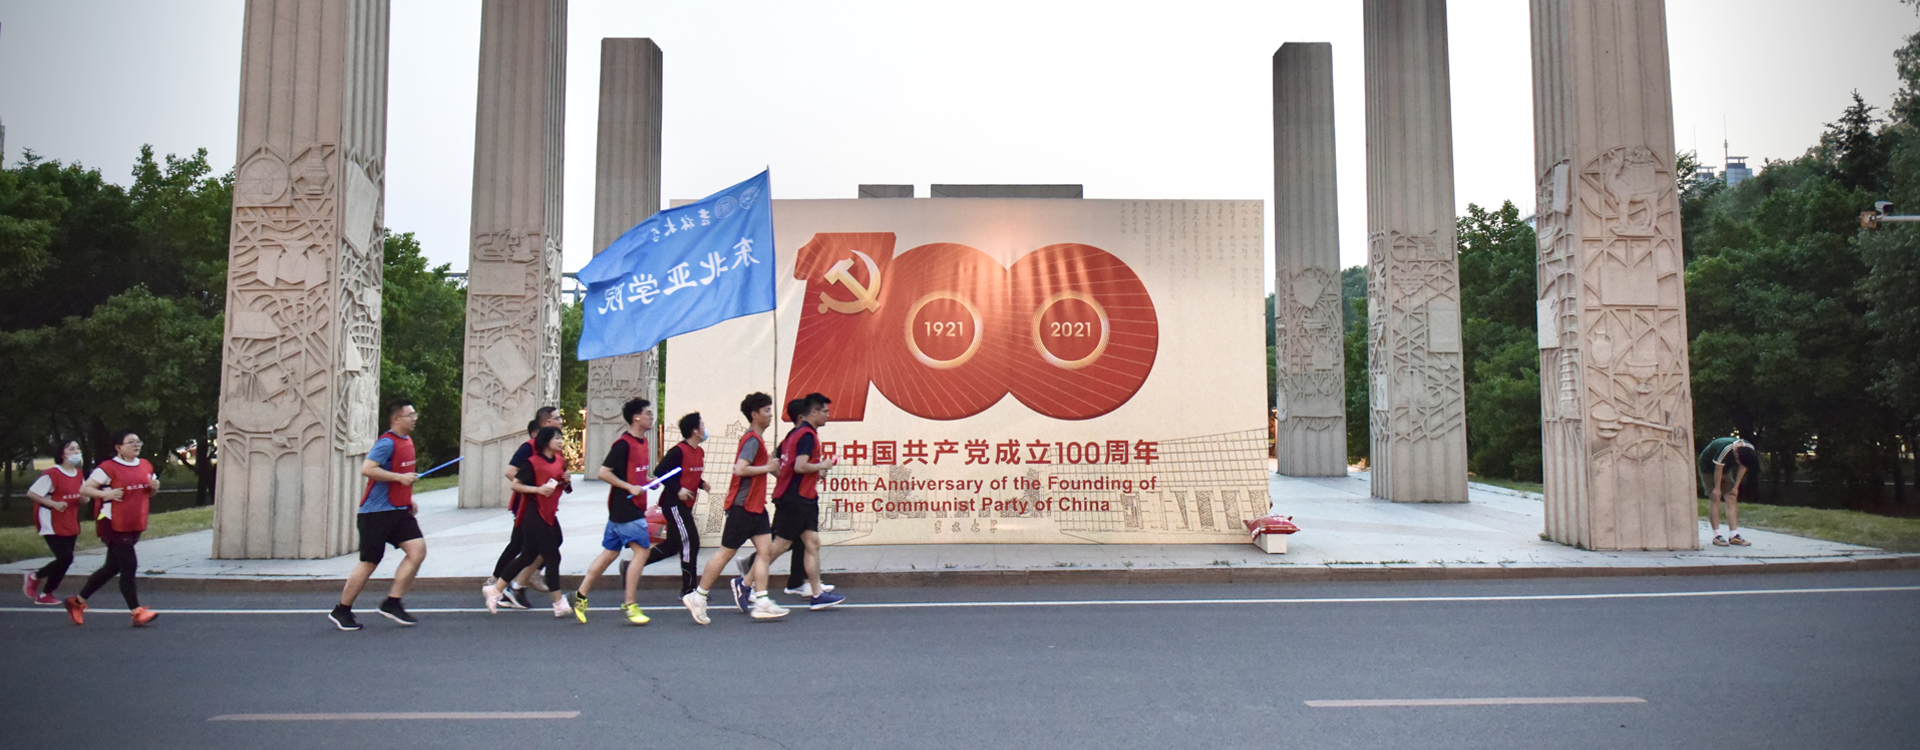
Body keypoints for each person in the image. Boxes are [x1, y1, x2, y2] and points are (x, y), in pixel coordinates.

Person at [685, 393, 788, 622]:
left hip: (756, 507)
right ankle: (698, 596)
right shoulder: (751, 440)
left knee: (765, 551)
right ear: (754, 414)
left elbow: (769, 469)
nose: (770, 415)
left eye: (770, 410)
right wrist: (767, 468)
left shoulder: (757, 440)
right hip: (743, 506)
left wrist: (775, 469)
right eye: (766, 410)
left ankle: (761, 601)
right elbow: (741, 469)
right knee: (726, 553)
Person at [329, 399, 427, 630]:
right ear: (396, 419)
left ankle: (392, 603)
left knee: (417, 551)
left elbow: (400, 474)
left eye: (414, 414)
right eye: (410, 415)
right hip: (375, 514)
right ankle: (342, 610)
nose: (414, 419)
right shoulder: (386, 443)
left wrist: (407, 497)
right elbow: (368, 469)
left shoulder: (407, 441)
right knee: (369, 562)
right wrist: (400, 478)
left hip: (398, 510)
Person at [745, 394, 844, 612]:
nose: (828, 415)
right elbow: (800, 466)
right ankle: (746, 583)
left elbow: (788, 465)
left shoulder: (796, 434)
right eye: (825, 411)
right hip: (795, 499)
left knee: (812, 543)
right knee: (780, 545)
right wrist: (823, 465)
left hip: (803, 497)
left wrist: (812, 472)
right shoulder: (806, 435)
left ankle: (816, 593)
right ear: (813, 412)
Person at [570, 398, 657, 626]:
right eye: (648, 413)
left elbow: (635, 474)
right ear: (636, 417)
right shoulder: (623, 444)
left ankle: (580, 595)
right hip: (626, 508)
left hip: (628, 507)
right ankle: (630, 604)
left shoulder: (643, 442)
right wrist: (629, 487)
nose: (651, 417)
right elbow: (604, 472)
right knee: (642, 552)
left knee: (610, 553)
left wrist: (648, 481)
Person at [66, 430, 160, 627]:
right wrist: (106, 495)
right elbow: (85, 489)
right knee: (129, 565)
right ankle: (137, 612)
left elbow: (147, 493)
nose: (136, 445)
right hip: (112, 522)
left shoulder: (145, 465)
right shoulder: (108, 467)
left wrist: (154, 487)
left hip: (134, 521)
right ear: (118, 447)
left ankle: (77, 602)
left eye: (138, 441)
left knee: (112, 567)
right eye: (131, 442)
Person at [486, 426, 572, 617]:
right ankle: (559, 603)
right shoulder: (533, 463)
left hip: (549, 513)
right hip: (533, 513)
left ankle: (496, 590)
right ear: (545, 441)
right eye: (556, 438)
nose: (560, 441)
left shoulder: (560, 461)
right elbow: (516, 485)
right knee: (553, 556)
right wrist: (537, 490)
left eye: (561, 438)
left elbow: (563, 485)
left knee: (527, 555)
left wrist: (566, 481)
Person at [646, 412, 710, 616]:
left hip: (686, 505)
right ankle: (689, 589)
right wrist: (678, 490)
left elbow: (689, 474)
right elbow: (660, 472)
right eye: (702, 425)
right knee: (691, 542)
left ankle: (633, 566)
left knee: (671, 546)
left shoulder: (699, 452)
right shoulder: (678, 451)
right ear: (694, 431)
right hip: (673, 504)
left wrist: (701, 484)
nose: (705, 429)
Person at [24, 439, 86, 605]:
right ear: (62, 454)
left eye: (78, 448)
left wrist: (84, 499)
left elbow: (81, 495)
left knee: (66, 560)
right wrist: (53, 504)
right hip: (51, 520)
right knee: (65, 557)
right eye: (71, 449)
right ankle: (35, 576)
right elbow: (32, 493)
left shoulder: (78, 474)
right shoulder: (52, 474)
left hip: (70, 520)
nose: (76, 452)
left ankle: (46, 594)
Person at [1699, 435, 1761, 547]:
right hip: (1708, 467)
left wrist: (1736, 487)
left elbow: (1742, 467)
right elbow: (1718, 469)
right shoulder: (1725, 449)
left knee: (1731, 497)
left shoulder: (1748, 449)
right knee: (1715, 498)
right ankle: (1717, 535)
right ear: (1736, 455)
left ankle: (1734, 535)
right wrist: (1717, 488)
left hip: (1725, 468)